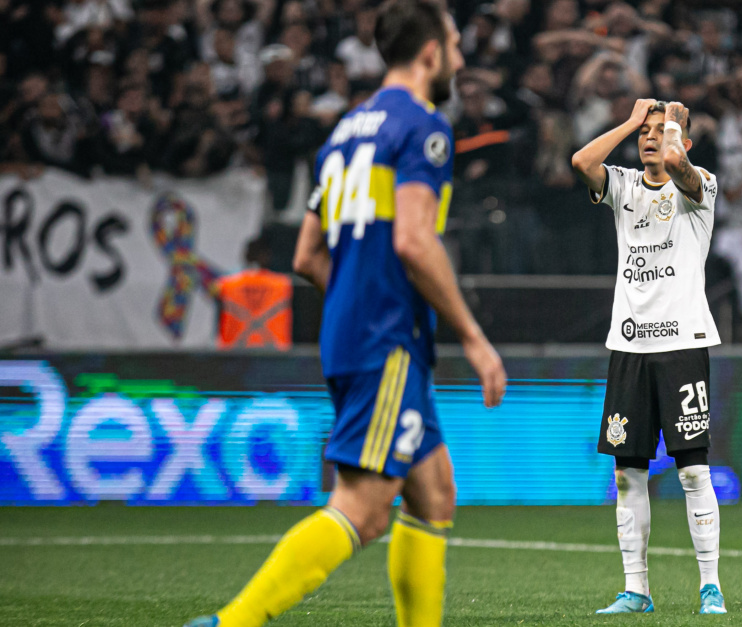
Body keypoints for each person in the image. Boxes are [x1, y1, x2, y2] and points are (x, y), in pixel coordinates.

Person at [182, 2, 506, 627]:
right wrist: (472, 335)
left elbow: (307, 254)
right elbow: (414, 239)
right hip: (387, 337)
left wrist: (359, 292)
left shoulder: (344, 131)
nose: (463, 60)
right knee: (362, 508)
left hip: (351, 330)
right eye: (457, 46)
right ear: (431, 53)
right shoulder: (424, 128)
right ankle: (234, 622)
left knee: (434, 492)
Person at [571, 99, 726, 615]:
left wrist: (674, 132)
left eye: (662, 131)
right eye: (647, 132)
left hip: (682, 342)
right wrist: (631, 121)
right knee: (626, 473)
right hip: (629, 345)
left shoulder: (699, 186)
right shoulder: (624, 187)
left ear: (682, 138)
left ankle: (710, 586)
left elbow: (682, 168)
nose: (651, 138)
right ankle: (636, 589)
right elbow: (581, 163)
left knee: (692, 473)